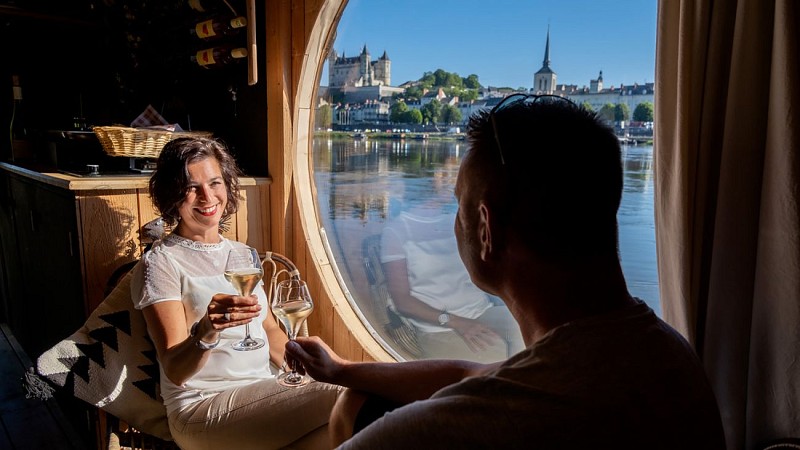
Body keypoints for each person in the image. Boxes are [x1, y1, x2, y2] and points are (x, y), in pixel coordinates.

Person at [285, 95, 727, 449]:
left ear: (486, 228)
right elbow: (469, 373)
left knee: (354, 412)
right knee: (358, 397)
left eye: (459, 208)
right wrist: (343, 369)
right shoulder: (658, 351)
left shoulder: (468, 427)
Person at [130, 137, 339, 450]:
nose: (207, 196)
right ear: (172, 195)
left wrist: (307, 370)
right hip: (202, 407)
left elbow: (268, 329)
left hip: (265, 390)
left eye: (215, 182)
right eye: (191, 187)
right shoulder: (159, 263)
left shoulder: (243, 254)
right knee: (344, 395)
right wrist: (207, 331)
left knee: (345, 431)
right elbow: (174, 369)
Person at [380, 200, 523, 362]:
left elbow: (484, 271)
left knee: (539, 332)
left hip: (483, 311)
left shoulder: (456, 220)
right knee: (497, 363)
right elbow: (402, 302)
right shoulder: (396, 231)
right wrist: (457, 323)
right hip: (439, 327)